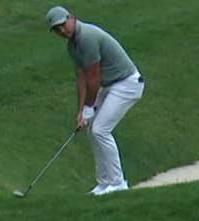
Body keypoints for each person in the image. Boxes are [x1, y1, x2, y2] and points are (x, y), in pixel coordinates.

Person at [46, 6, 145, 196]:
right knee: (93, 130)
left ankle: (117, 183)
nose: (61, 31)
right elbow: (81, 78)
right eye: (56, 30)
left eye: (62, 25)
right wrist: (81, 110)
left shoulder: (86, 37)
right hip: (111, 85)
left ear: (71, 18)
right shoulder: (72, 45)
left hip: (127, 83)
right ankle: (103, 183)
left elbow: (94, 78)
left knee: (100, 129)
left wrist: (90, 107)